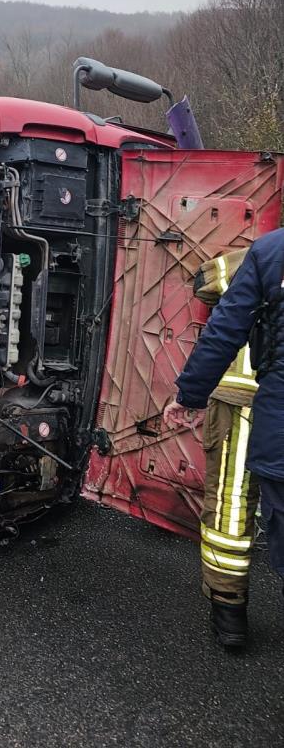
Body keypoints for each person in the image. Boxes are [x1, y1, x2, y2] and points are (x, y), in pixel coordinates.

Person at [164, 230, 284, 650]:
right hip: (260, 405)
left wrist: (187, 396)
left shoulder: (257, 256)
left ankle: (229, 616)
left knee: (230, 508)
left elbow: (219, 320)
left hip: (243, 404)